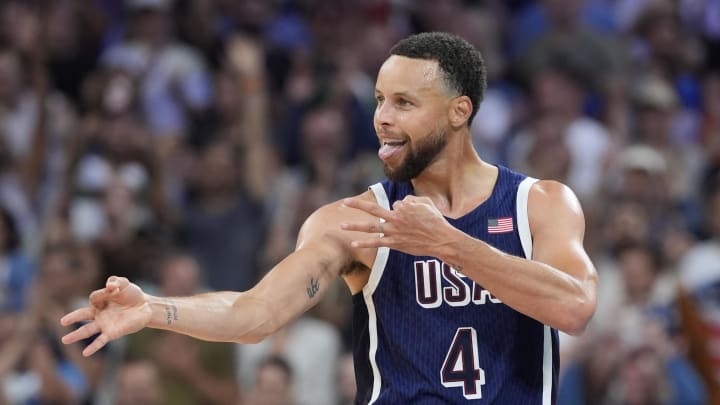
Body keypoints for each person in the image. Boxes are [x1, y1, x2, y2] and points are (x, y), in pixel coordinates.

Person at [60, 32, 598, 404]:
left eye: (405, 103)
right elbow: (256, 313)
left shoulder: (539, 204)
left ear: (460, 111)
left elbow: (574, 307)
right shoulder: (354, 221)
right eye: (380, 99)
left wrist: (449, 244)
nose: (383, 118)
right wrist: (154, 308)